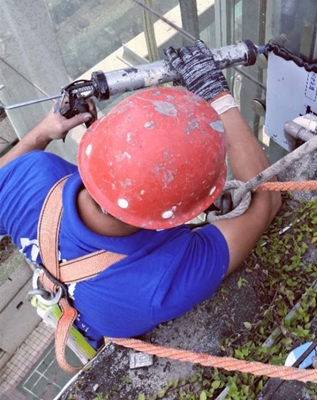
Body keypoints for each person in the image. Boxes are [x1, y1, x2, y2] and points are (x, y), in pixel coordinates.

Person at [0, 40, 281, 350]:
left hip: (76, 301)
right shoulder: (156, 282)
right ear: (178, 214)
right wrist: (216, 95)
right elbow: (266, 201)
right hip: (108, 312)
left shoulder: (32, 174)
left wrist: (42, 132)